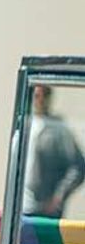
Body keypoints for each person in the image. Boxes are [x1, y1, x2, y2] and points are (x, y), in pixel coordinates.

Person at [23, 85, 85, 218]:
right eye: (36, 95)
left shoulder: (58, 129)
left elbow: (78, 166)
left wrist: (58, 197)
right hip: (22, 206)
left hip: (45, 209)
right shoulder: (24, 125)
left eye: (43, 96)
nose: (39, 100)